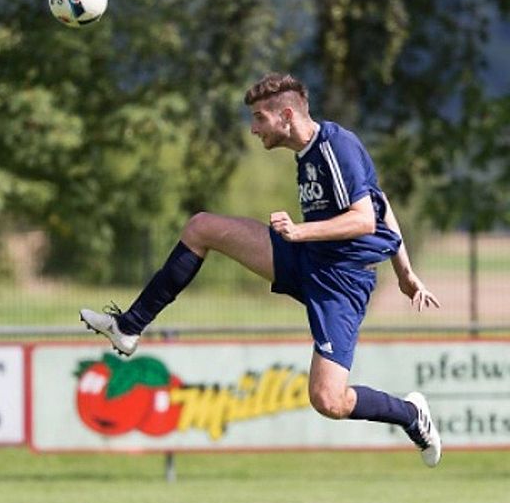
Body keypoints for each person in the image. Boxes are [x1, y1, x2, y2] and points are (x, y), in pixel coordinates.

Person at [80, 73, 443, 467]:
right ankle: (130, 326)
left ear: (286, 114)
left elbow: (365, 220)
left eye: (258, 118)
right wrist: (406, 274)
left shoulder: (337, 146)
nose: (253, 129)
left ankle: (411, 415)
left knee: (328, 401)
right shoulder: (305, 154)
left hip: (341, 283)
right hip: (305, 258)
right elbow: (380, 201)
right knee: (201, 227)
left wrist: (305, 233)